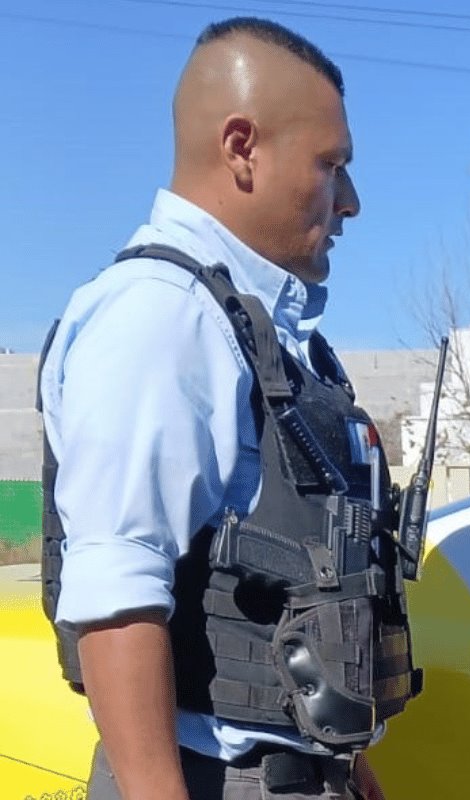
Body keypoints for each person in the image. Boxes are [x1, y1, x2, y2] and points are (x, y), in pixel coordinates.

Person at [37, 17, 418, 800]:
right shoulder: (161, 315)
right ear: (242, 147)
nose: (351, 202)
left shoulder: (255, 331)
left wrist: (349, 767)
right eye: (331, 165)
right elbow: (115, 594)